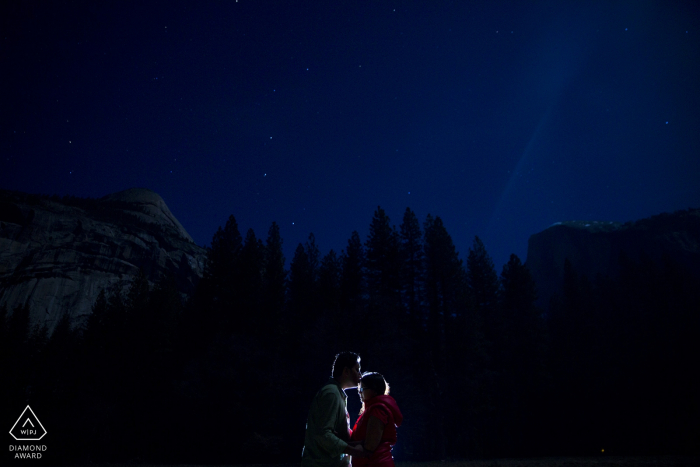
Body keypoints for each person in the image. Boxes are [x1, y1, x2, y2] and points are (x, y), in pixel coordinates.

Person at [302, 352, 366, 467]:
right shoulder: (331, 393)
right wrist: (354, 451)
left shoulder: (337, 393)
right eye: (357, 370)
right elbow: (323, 434)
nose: (360, 375)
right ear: (346, 371)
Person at [350, 372, 403, 467]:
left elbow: (370, 445)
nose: (359, 392)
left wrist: (344, 445)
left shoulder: (377, 410)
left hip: (376, 463)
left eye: (362, 388)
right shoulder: (372, 409)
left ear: (374, 390)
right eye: (359, 389)